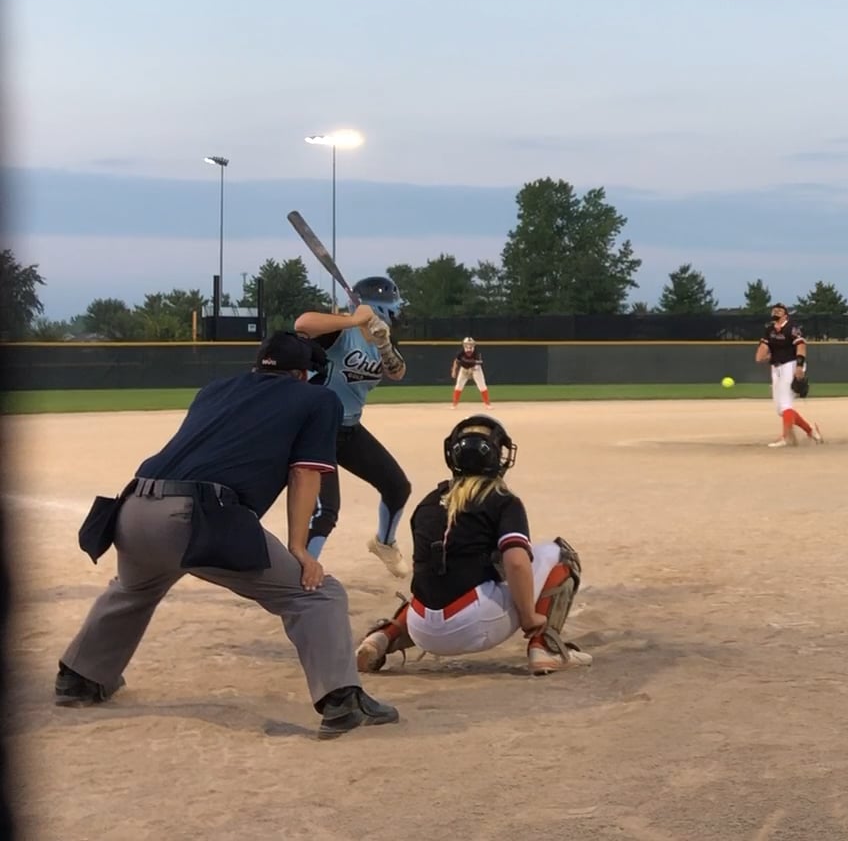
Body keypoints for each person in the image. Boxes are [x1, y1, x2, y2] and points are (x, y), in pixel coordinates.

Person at [54, 332, 400, 738]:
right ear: (304, 374)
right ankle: (342, 701)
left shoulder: (215, 390)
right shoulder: (318, 399)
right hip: (196, 518)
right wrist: (299, 549)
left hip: (131, 510)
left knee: (133, 589)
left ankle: (79, 678)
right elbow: (305, 473)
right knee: (318, 595)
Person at [353, 415, 591, 676]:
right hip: (474, 625)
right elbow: (516, 562)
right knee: (559, 554)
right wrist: (528, 617)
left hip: (421, 628)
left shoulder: (428, 502)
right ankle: (544, 648)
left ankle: (382, 637)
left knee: (437, 581)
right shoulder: (502, 500)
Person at [295, 276, 412, 577]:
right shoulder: (339, 333)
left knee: (397, 486)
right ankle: (299, 575)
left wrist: (384, 345)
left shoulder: (382, 337)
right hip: (316, 430)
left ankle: (384, 543)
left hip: (348, 428)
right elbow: (302, 324)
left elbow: (397, 372)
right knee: (325, 511)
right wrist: (353, 320)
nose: (397, 314)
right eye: (393, 308)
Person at [755, 302, 822, 447]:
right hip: (776, 367)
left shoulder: (792, 328)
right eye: (774, 310)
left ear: (786, 315)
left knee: (786, 404)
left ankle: (786, 437)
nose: (776, 312)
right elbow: (762, 352)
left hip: (791, 365)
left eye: (779, 310)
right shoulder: (769, 330)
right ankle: (811, 431)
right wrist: (762, 354)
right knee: (781, 409)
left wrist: (799, 367)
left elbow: (801, 346)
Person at [451, 336, 489, 408]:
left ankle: (487, 404)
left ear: (473, 344)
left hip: (476, 369)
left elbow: (479, 362)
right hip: (464, 369)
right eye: (467, 344)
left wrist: (471, 367)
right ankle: (454, 404)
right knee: (458, 386)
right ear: (464, 344)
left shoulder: (476, 352)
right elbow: (456, 361)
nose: (469, 345)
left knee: (482, 386)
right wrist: (453, 371)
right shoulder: (461, 352)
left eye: (470, 344)